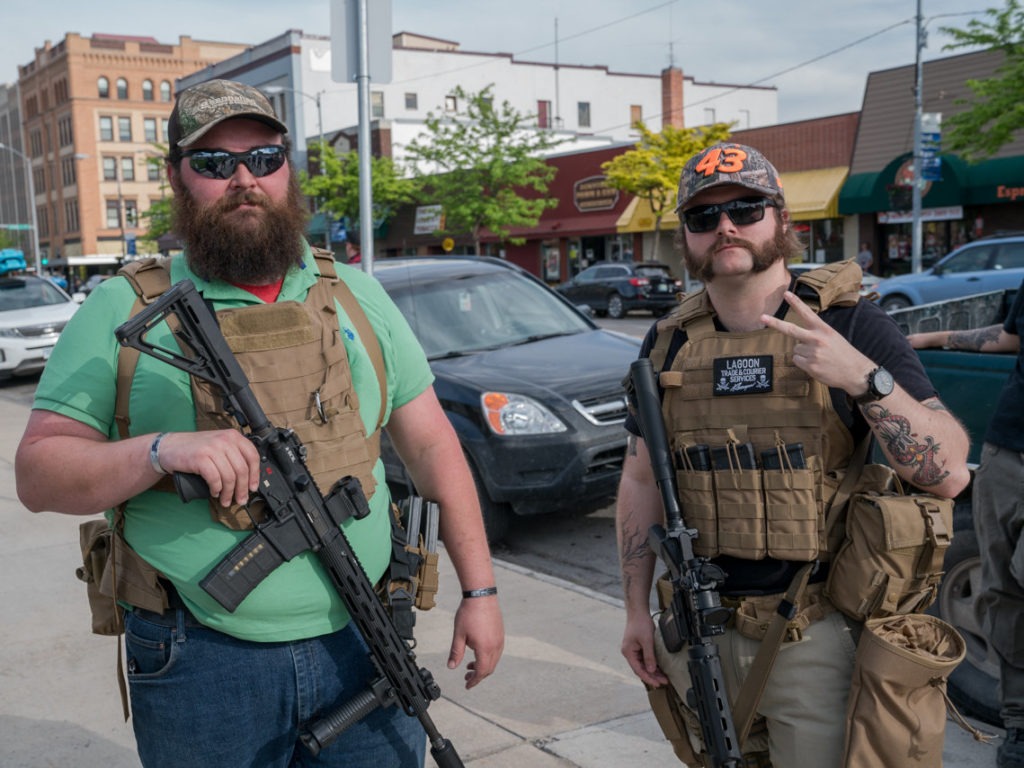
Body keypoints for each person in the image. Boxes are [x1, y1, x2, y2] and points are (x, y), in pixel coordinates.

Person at [15, 79, 504, 768]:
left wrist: (480, 591)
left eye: (264, 158)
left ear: (288, 170)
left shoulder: (355, 293)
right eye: (215, 163)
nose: (244, 179)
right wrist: (161, 451)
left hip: (365, 636)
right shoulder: (124, 306)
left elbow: (430, 444)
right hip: (199, 660)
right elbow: (39, 474)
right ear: (178, 177)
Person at [615, 142, 969, 767]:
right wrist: (635, 610)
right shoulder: (667, 342)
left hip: (819, 632)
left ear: (781, 221)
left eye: (747, 209)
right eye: (703, 217)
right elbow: (642, 477)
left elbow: (946, 474)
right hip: (701, 628)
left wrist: (863, 378)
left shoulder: (850, 325)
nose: (725, 226)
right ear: (687, 238)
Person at [908, 280, 1024, 768]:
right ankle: (1019, 727)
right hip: (1007, 447)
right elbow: (1012, 337)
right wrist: (936, 340)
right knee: (1001, 592)